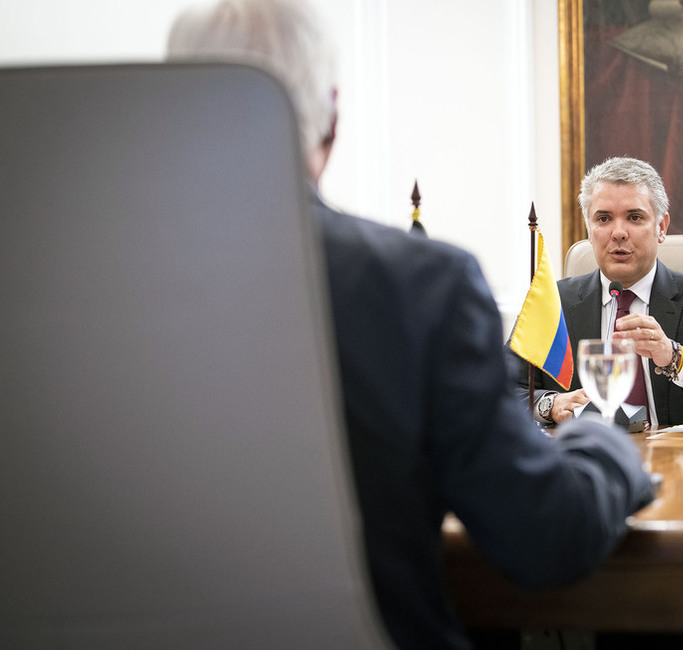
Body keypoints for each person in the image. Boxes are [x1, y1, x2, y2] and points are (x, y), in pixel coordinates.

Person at [166, 2, 653, 648]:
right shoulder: (422, 286)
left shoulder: (53, 275)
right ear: (331, 119)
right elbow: (543, 537)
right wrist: (608, 446)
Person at [515, 156, 683, 428]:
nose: (618, 233)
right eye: (603, 219)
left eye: (634, 217)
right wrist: (550, 405)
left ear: (661, 228)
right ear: (589, 231)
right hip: (586, 461)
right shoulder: (552, 303)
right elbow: (501, 389)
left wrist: (675, 357)